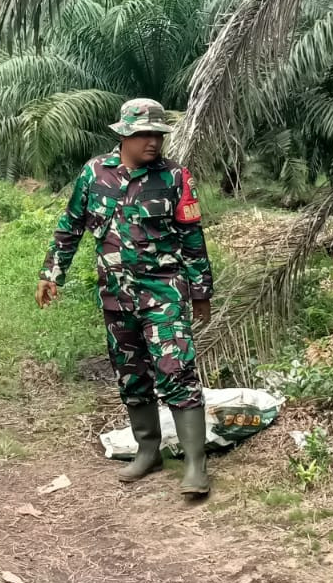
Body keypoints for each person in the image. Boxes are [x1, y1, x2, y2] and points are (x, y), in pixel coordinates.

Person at [36, 98, 215, 496]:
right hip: (115, 296)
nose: (152, 141)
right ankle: (148, 450)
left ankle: (195, 465)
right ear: (123, 135)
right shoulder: (94, 174)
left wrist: (201, 291)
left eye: (157, 134)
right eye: (143, 134)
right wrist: (52, 274)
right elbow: (70, 227)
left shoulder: (174, 178)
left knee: (176, 370)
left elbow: (192, 238)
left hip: (163, 291)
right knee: (131, 373)